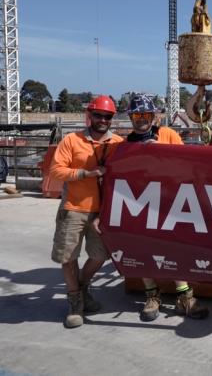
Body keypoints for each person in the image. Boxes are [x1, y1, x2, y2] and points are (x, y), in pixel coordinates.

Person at [123, 93, 209, 321]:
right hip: (139, 206)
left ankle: (184, 296)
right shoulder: (125, 146)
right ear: (131, 117)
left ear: (154, 116)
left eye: (146, 114)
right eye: (137, 114)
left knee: (173, 248)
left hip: (170, 203)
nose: (141, 118)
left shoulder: (168, 135)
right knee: (140, 248)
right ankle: (152, 294)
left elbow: (185, 165)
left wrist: (159, 151)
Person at [49, 95, 123, 328]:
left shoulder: (118, 144)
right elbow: (55, 171)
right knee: (68, 257)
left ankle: (80, 288)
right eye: (98, 115)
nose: (103, 120)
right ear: (89, 116)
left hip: (102, 212)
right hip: (73, 208)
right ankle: (75, 302)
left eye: (108, 116)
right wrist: (84, 173)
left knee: (100, 255)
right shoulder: (72, 140)